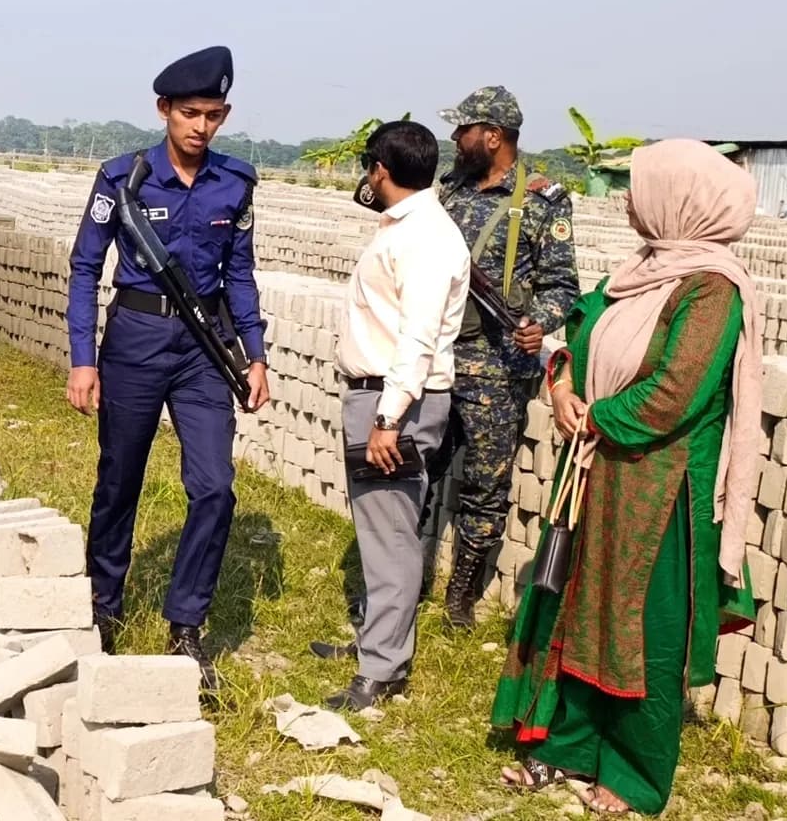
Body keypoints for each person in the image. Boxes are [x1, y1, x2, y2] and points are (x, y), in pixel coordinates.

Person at [493, 140, 762, 816]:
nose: (626, 199)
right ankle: (565, 748)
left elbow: (678, 392)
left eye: (638, 188)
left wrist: (597, 417)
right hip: (598, 469)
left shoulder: (712, 288)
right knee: (580, 607)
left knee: (646, 626)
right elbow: (577, 333)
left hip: (660, 486)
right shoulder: (639, 270)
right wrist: (560, 389)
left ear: (680, 200)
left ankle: (635, 773)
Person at [64, 44, 269, 691]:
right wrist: (82, 359)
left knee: (215, 487)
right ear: (164, 111)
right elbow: (84, 267)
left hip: (206, 348)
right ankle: (103, 606)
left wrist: (255, 353)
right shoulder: (122, 178)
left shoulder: (235, 183)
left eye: (212, 115)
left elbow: (239, 273)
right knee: (120, 478)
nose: (200, 127)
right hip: (136, 338)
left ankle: (186, 625)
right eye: (189, 113)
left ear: (225, 115)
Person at [314, 121, 470, 712]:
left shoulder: (426, 237)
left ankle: (382, 670)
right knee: (381, 528)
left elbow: (419, 338)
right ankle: (375, 643)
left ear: (380, 169)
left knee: (392, 533)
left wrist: (388, 418)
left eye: (368, 169)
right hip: (383, 397)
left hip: (395, 402)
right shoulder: (409, 227)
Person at [434, 86, 580, 628]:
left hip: (496, 370)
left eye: (464, 129)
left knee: (485, 485)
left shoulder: (544, 201)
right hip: (439, 358)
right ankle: (405, 581)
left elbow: (563, 285)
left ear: (492, 136)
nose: (456, 138)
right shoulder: (449, 190)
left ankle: (459, 600)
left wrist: (539, 322)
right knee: (417, 470)